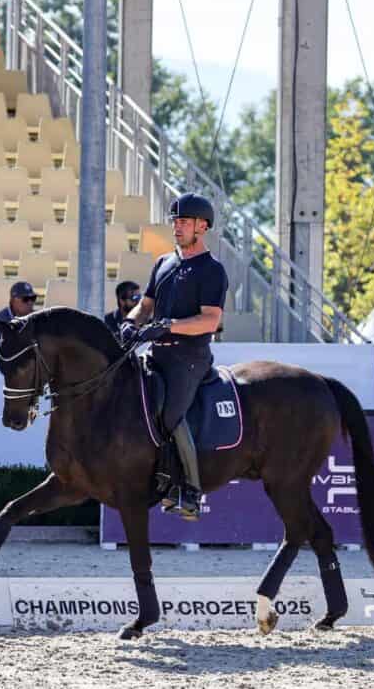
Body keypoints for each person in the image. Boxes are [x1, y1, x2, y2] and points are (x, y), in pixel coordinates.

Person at [119, 193, 228, 520]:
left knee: (168, 415)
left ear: (202, 226)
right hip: (155, 354)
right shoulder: (163, 262)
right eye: (175, 221)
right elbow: (146, 305)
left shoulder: (212, 270)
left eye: (184, 222)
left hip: (189, 359)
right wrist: (130, 322)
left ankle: (191, 491)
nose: (177, 227)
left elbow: (211, 320)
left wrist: (169, 326)